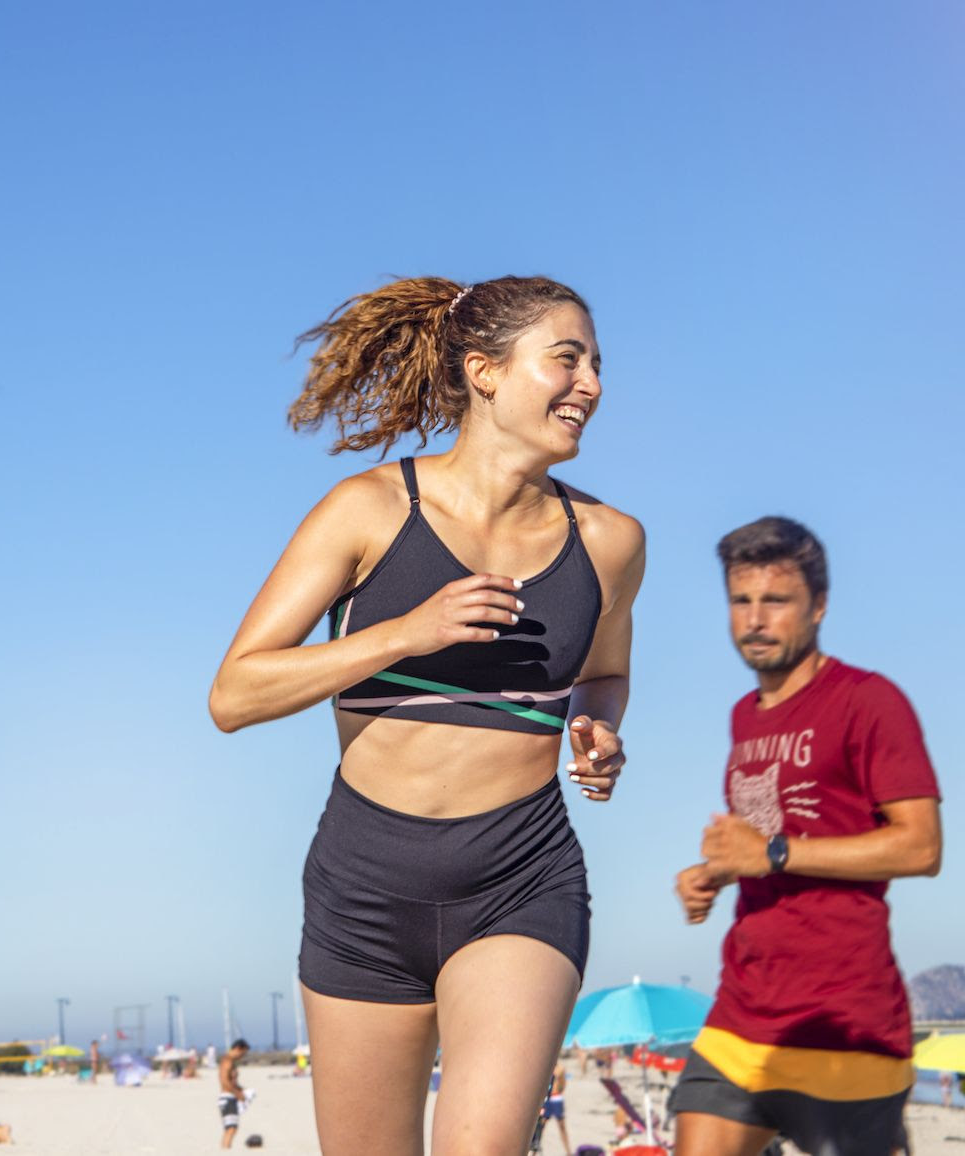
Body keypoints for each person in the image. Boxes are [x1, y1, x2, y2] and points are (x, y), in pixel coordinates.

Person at [210, 276, 644, 1156]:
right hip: (364, 890)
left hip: (521, 876)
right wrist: (406, 632)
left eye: (598, 363)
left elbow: (605, 674)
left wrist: (598, 728)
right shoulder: (368, 510)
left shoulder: (610, 542)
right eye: (567, 359)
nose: (592, 384)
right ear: (485, 372)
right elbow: (236, 694)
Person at [671, 517, 943, 1156]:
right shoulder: (744, 716)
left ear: (819, 605)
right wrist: (716, 872)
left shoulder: (868, 700)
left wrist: (771, 853)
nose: (755, 619)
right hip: (744, 1008)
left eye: (776, 600)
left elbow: (921, 846)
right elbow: (780, 837)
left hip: (843, 1018)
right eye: (741, 600)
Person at [218, 1039, 250, 1149]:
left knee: (232, 1127)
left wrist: (242, 1090)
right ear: (238, 1049)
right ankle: (225, 1149)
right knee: (231, 1128)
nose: (242, 1056)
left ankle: (226, 1148)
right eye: (243, 1053)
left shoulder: (230, 1061)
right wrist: (237, 1094)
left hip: (230, 1097)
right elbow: (224, 1081)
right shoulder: (227, 1061)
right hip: (227, 1098)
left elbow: (231, 1082)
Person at [539, 1061, 571, 1154]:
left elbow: (563, 1085)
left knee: (562, 1127)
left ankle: (568, 1151)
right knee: (541, 1127)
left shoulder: (560, 1068)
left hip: (556, 1098)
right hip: (548, 1099)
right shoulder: (545, 1066)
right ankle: (534, 1150)